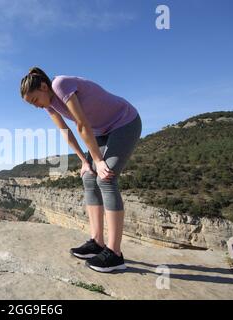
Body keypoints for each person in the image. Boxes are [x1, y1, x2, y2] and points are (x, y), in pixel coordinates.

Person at [20, 67, 142, 273]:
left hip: (124, 122)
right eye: (32, 105)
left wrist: (97, 159)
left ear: (43, 86)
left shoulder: (60, 85)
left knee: (106, 178)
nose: (37, 107)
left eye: (34, 100)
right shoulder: (50, 105)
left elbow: (81, 124)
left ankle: (115, 253)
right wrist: (85, 162)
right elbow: (66, 132)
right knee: (88, 177)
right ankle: (97, 242)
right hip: (101, 132)